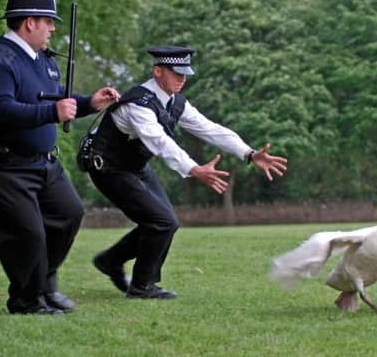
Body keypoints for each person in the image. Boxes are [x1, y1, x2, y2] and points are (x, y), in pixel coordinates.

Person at [0, 0, 120, 315]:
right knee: (27, 234)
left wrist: (90, 103)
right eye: (49, 23)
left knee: (68, 214)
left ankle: (44, 284)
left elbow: (55, 101)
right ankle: (26, 301)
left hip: (40, 161)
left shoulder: (43, 60)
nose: (53, 30)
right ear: (30, 22)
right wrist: (52, 112)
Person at [88, 46, 288, 299]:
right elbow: (160, 143)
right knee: (162, 222)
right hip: (109, 169)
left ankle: (110, 261)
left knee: (165, 222)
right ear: (158, 71)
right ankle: (141, 287)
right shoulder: (139, 105)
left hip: (134, 167)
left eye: (185, 74)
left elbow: (209, 129)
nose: (182, 79)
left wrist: (249, 153)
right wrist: (193, 169)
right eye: (176, 73)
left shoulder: (174, 102)